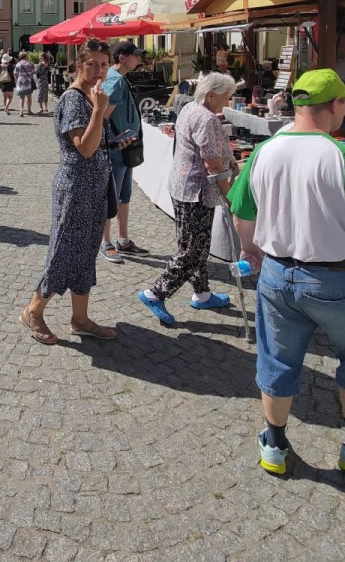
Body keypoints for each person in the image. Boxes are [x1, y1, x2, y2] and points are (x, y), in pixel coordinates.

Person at [227, 68, 345, 477]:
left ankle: (274, 442)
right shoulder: (343, 158)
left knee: (277, 360)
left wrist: (250, 251)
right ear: (336, 105)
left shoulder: (264, 152)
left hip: (276, 275)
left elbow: (241, 217)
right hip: (335, 279)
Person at [21, 38, 117, 344]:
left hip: (94, 188)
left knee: (86, 253)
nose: (99, 71)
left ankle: (80, 318)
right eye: (93, 64)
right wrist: (100, 111)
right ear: (80, 64)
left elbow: (97, 140)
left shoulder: (91, 95)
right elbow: (85, 148)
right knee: (62, 252)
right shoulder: (74, 100)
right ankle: (33, 312)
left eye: (104, 64)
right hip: (75, 187)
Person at [138, 72, 235, 326]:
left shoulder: (190, 108)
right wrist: (229, 196)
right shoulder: (206, 118)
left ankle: (202, 294)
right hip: (197, 191)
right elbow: (212, 163)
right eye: (226, 97)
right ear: (211, 94)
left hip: (183, 186)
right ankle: (156, 293)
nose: (228, 101)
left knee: (192, 245)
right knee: (194, 249)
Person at [100, 42, 147, 261]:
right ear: (122, 57)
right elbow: (103, 116)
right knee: (111, 198)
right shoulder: (115, 80)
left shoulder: (120, 78)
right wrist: (111, 141)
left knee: (124, 197)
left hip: (126, 148)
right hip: (117, 149)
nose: (139, 59)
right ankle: (106, 242)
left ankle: (123, 240)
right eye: (135, 56)